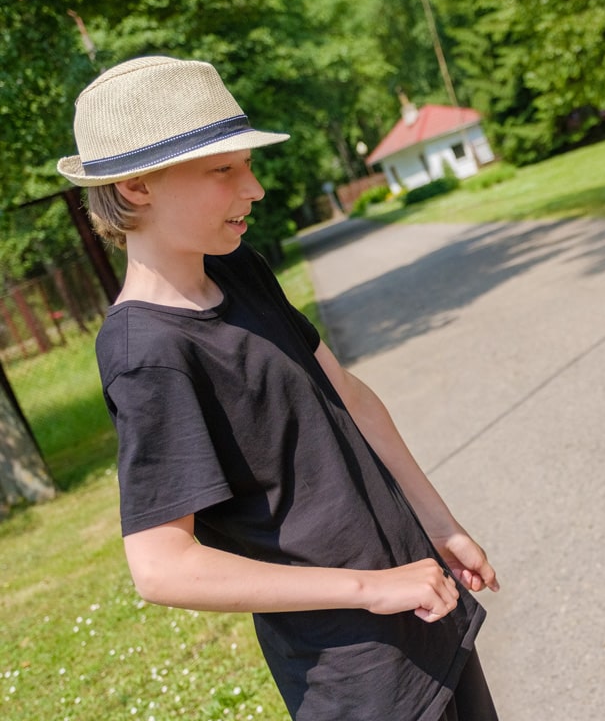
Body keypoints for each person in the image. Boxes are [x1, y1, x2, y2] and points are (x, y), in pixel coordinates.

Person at [57, 55, 500, 721]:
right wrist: (370, 588)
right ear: (139, 185)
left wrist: (439, 524)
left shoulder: (238, 269)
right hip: (359, 678)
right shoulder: (147, 356)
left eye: (247, 165)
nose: (255, 188)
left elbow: (348, 394)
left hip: (428, 611)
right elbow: (162, 567)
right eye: (224, 170)